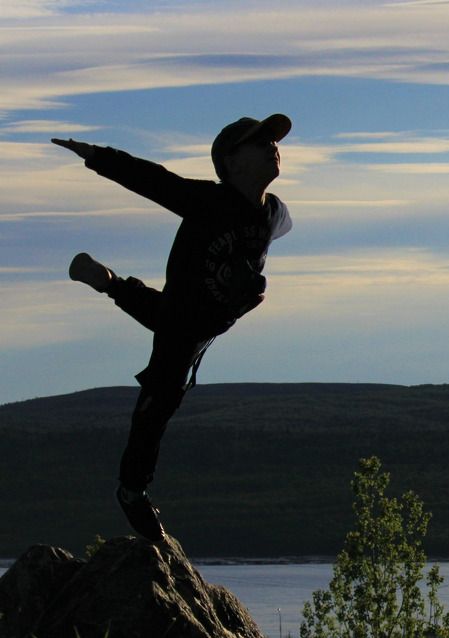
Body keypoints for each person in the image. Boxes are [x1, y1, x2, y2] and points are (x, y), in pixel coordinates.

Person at [53, 114, 293, 542]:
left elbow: (270, 239)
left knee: (169, 324)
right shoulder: (208, 202)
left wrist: (255, 290)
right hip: (184, 316)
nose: (272, 147)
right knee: (160, 400)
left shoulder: (275, 213)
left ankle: (109, 283)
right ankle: (132, 490)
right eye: (260, 143)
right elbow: (153, 180)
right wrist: (95, 155)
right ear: (231, 162)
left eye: (273, 141)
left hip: (213, 320)